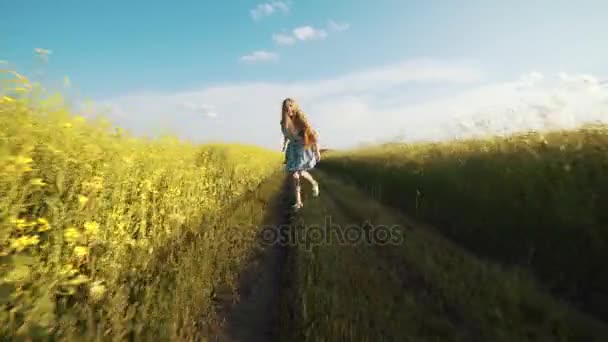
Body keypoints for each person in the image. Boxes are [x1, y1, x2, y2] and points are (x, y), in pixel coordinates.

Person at [280, 98, 321, 210]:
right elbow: (286, 134)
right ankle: (299, 202)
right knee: (296, 175)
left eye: (290, 107)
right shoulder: (284, 122)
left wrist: (317, 150)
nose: (289, 110)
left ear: (294, 107)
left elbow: (313, 135)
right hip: (292, 149)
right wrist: (284, 144)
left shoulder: (300, 120)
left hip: (303, 148)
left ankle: (314, 183)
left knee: (298, 174)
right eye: (286, 108)